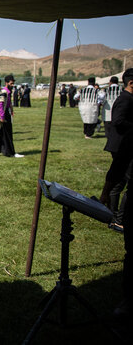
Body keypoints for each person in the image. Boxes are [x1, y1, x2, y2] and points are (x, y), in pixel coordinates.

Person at [99, 68, 133, 328]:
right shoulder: (125, 100)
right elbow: (118, 122)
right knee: (120, 184)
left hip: (123, 150)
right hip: (121, 147)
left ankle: (114, 211)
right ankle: (116, 214)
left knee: (119, 183)